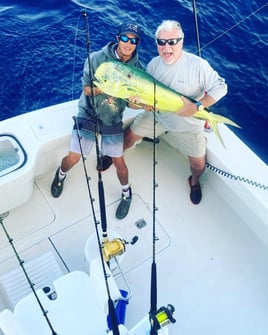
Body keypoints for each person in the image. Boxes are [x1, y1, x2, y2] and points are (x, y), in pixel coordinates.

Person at [124, 20, 227, 204]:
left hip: (188, 125)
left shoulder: (199, 65)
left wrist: (197, 106)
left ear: (181, 41)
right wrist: (142, 103)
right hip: (158, 117)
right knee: (129, 136)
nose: (166, 47)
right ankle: (114, 157)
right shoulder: (153, 65)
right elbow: (146, 96)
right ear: (157, 44)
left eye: (172, 42)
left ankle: (194, 182)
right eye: (161, 42)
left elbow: (221, 87)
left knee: (198, 167)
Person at [51, 21, 144, 219]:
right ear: (118, 38)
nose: (128, 43)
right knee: (73, 158)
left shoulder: (139, 70)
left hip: (112, 118)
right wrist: (107, 88)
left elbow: (132, 104)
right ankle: (60, 175)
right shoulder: (96, 58)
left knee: (119, 161)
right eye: (125, 38)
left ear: (137, 43)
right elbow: (86, 89)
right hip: (88, 113)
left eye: (133, 40)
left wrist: (143, 105)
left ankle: (127, 193)